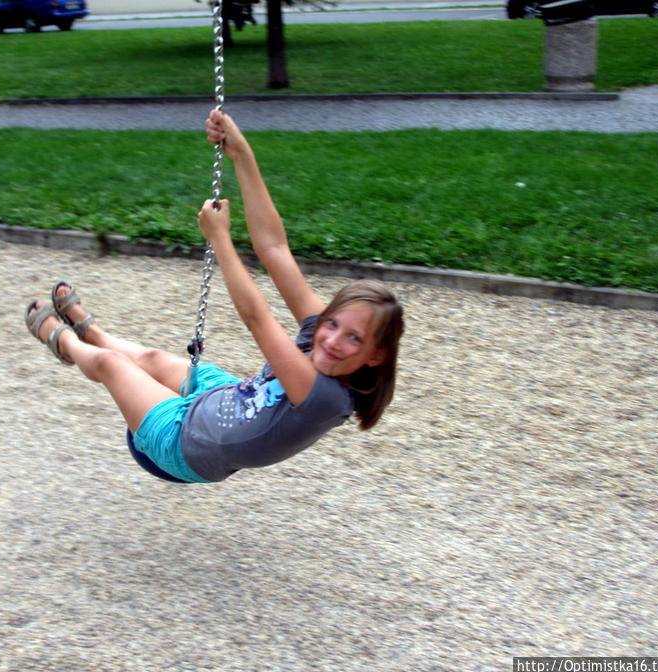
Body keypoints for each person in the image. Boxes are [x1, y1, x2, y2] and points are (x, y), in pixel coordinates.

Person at [25, 110, 404, 483]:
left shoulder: (326, 399)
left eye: (354, 338)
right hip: (222, 396)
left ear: (376, 355)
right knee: (152, 358)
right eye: (333, 322)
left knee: (112, 365)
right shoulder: (322, 337)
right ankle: (93, 334)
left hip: (183, 447)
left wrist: (220, 239)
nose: (333, 339)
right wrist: (242, 154)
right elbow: (274, 248)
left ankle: (64, 342)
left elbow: (257, 318)